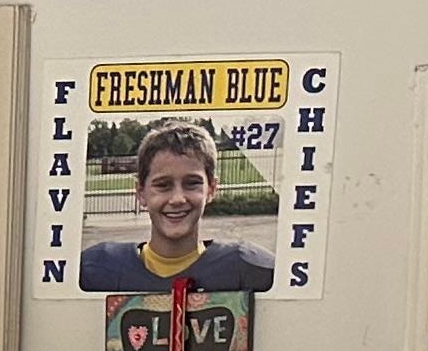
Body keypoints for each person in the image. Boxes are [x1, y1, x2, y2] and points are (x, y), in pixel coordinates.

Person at [76, 119, 278, 293]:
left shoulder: (249, 268)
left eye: (192, 183)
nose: (177, 199)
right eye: (163, 185)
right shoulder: (95, 269)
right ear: (140, 192)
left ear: (212, 189)